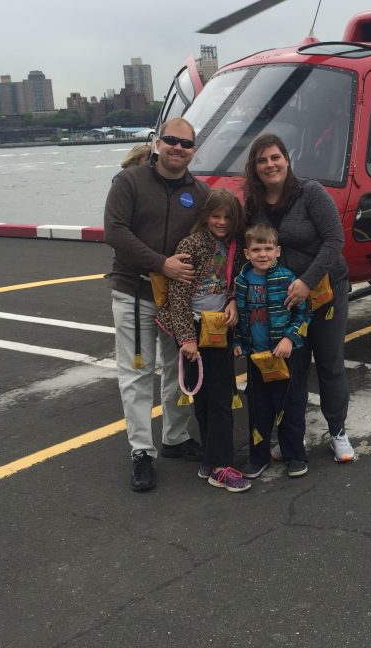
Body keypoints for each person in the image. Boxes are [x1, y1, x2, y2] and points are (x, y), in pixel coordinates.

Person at [104, 117, 211, 492]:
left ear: (193, 150)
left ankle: (176, 437)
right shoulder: (129, 182)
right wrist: (160, 262)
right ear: (157, 143)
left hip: (177, 301)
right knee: (136, 373)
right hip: (134, 292)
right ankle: (141, 452)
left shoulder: (199, 193)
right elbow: (114, 231)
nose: (177, 148)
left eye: (186, 144)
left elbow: (215, 234)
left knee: (177, 370)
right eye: (171, 140)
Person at [242, 133, 355, 463]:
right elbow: (246, 251)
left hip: (324, 292)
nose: (269, 164)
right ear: (254, 168)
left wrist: (307, 281)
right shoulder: (254, 205)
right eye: (262, 160)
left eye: (275, 157)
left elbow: (334, 241)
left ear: (287, 160)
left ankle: (338, 432)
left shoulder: (311, 193)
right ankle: (293, 437)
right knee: (293, 369)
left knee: (330, 362)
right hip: (284, 301)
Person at [155, 189, 249, 493]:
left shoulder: (234, 244)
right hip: (194, 332)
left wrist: (233, 299)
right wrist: (186, 339)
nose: (221, 222)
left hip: (219, 327)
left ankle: (211, 459)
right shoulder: (192, 244)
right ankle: (221, 466)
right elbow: (178, 296)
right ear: (205, 216)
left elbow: (233, 281)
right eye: (215, 216)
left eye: (227, 217)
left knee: (215, 396)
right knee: (213, 399)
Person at [232, 223, 311, 479]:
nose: (262, 254)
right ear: (247, 253)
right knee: (258, 410)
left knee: (289, 407)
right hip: (257, 358)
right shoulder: (242, 281)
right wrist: (238, 343)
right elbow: (240, 318)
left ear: (277, 251)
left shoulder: (288, 279)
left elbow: (303, 313)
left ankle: (295, 455)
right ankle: (259, 456)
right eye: (257, 249)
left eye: (268, 248)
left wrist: (289, 338)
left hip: (284, 356)